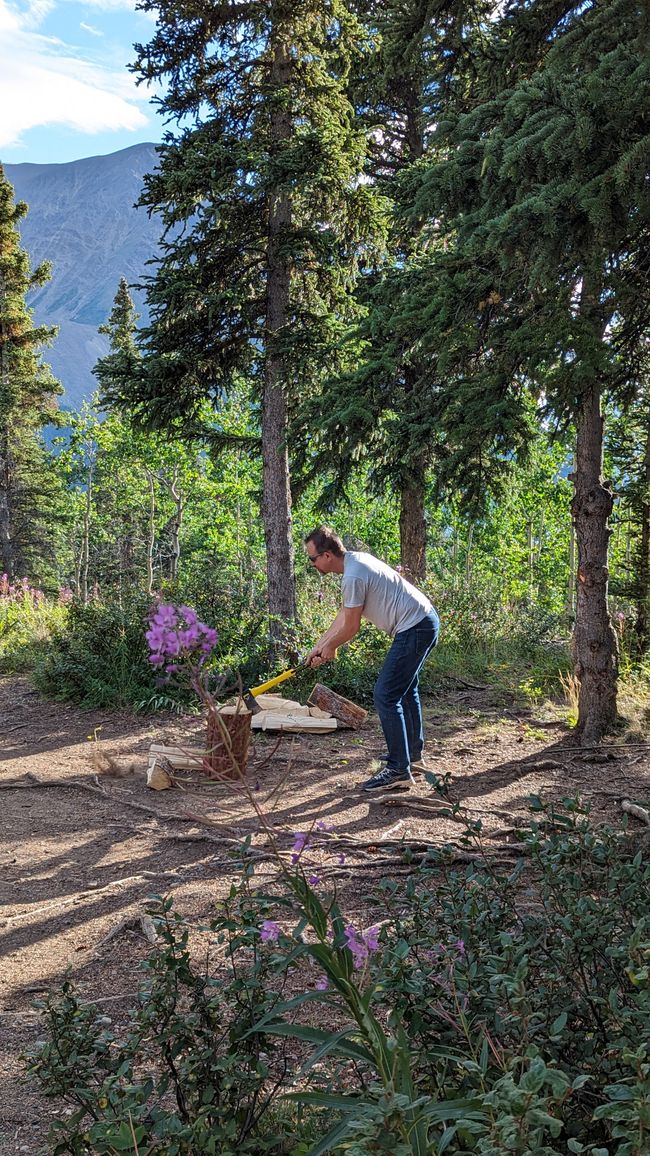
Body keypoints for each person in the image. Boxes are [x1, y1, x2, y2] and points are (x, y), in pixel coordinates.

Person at [304, 526, 439, 792]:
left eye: (312, 558)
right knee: (404, 690)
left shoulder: (353, 576)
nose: (312, 564)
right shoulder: (355, 561)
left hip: (415, 627)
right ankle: (412, 757)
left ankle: (399, 769)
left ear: (328, 555)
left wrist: (331, 648)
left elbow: (352, 627)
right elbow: (345, 614)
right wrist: (320, 645)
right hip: (423, 621)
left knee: (385, 695)